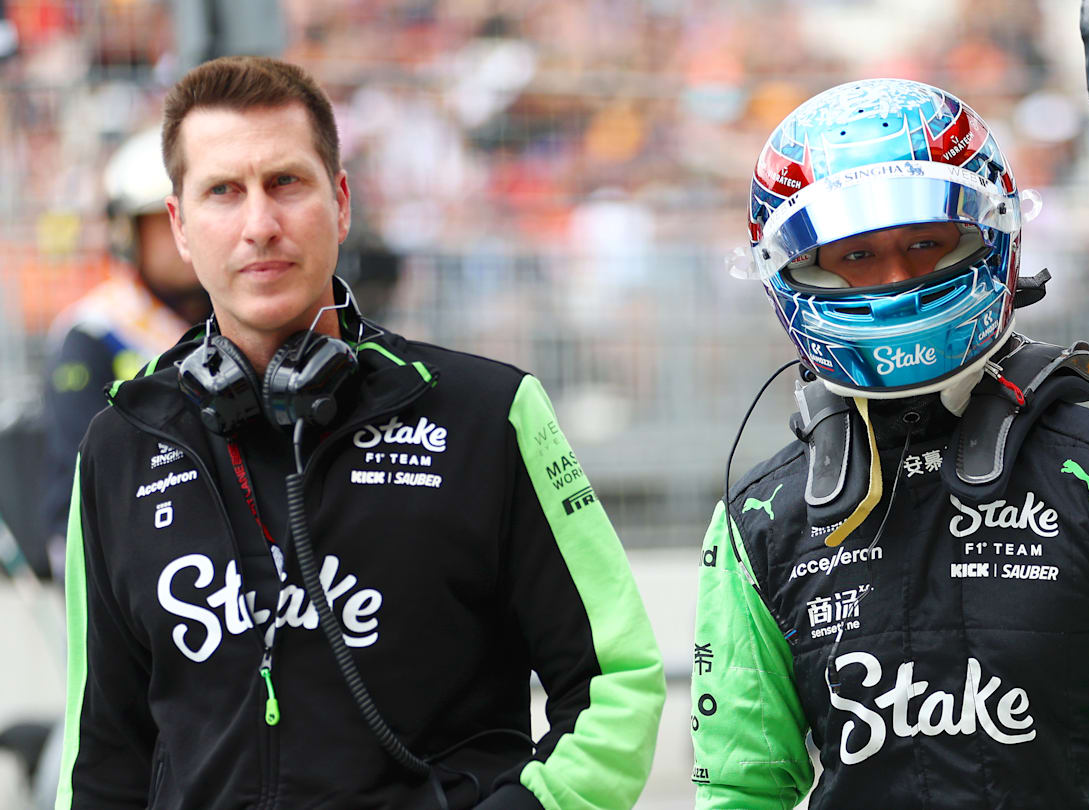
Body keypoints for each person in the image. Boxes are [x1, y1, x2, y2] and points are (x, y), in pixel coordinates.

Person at [57, 55, 664, 810]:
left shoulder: (487, 413)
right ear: (180, 227)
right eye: (223, 192)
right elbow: (103, 758)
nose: (259, 224)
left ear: (340, 203)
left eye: (286, 182)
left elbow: (617, 682)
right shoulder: (119, 447)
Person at [691, 78, 1089, 809]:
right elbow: (740, 785)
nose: (894, 282)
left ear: (995, 237)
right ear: (791, 271)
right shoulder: (758, 519)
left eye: (925, 244)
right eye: (855, 256)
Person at [37, 125, 211, 581]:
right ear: (128, 232)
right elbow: (76, 492)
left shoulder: (244, 322)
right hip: (125, 566)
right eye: (164, 220)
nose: (183, 235)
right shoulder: (93, 333)